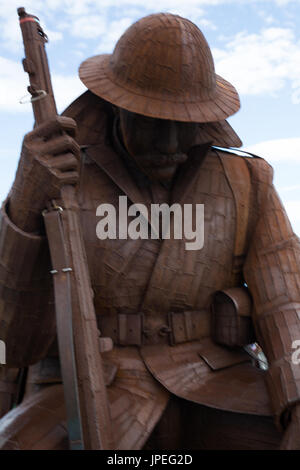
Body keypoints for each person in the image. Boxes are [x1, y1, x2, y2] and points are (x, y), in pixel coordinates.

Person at [0, 12, 300, 450]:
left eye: (184, 124)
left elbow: (287, 303)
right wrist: (24, 206)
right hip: (89, 381)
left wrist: (297, 398)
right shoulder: (59, 175)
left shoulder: (248, 180)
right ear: (115, 105)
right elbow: (16, 341)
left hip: (217, 379)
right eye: (153, 123)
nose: (171, 146)